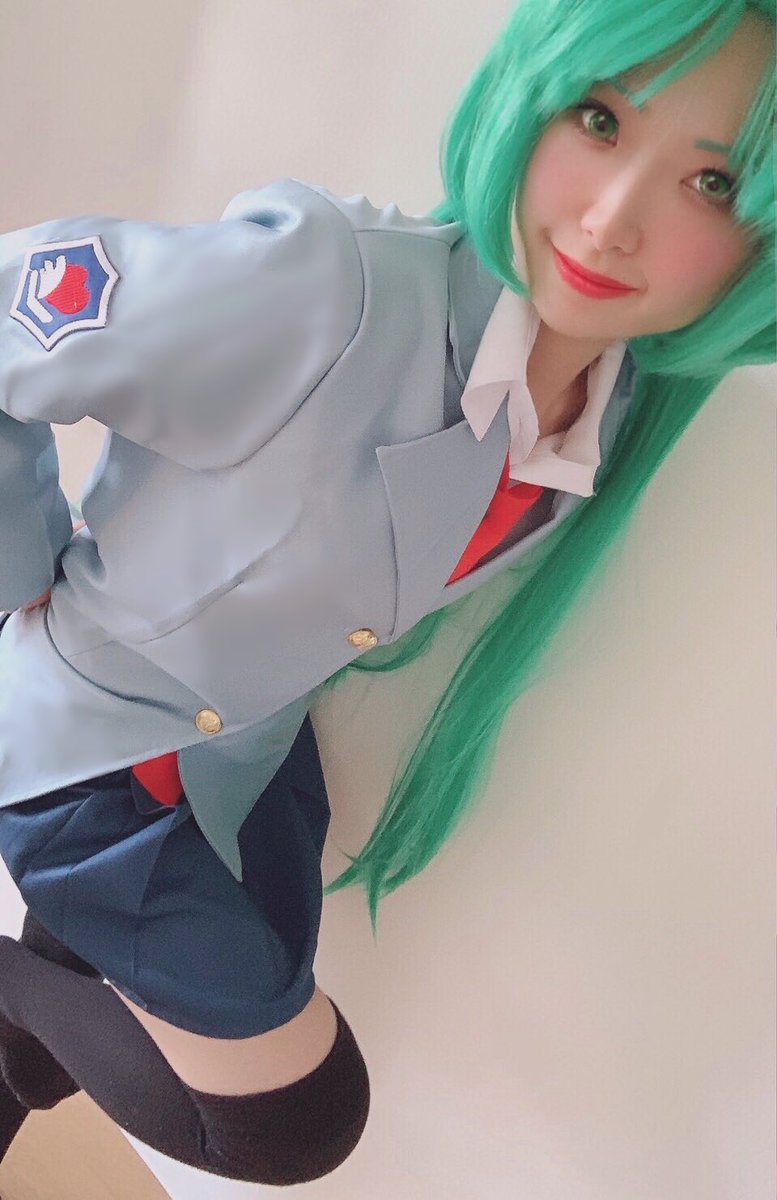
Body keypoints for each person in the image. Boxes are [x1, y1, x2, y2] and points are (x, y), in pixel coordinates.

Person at [0, 0, 773, 1185]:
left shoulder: (607, 408)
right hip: (87, 757)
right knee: (292, 1122)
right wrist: (20, 577)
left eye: (711, 185)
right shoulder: (328, 285)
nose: (613, 220)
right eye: (600, 120)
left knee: (52, 1033)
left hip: (239, 757)